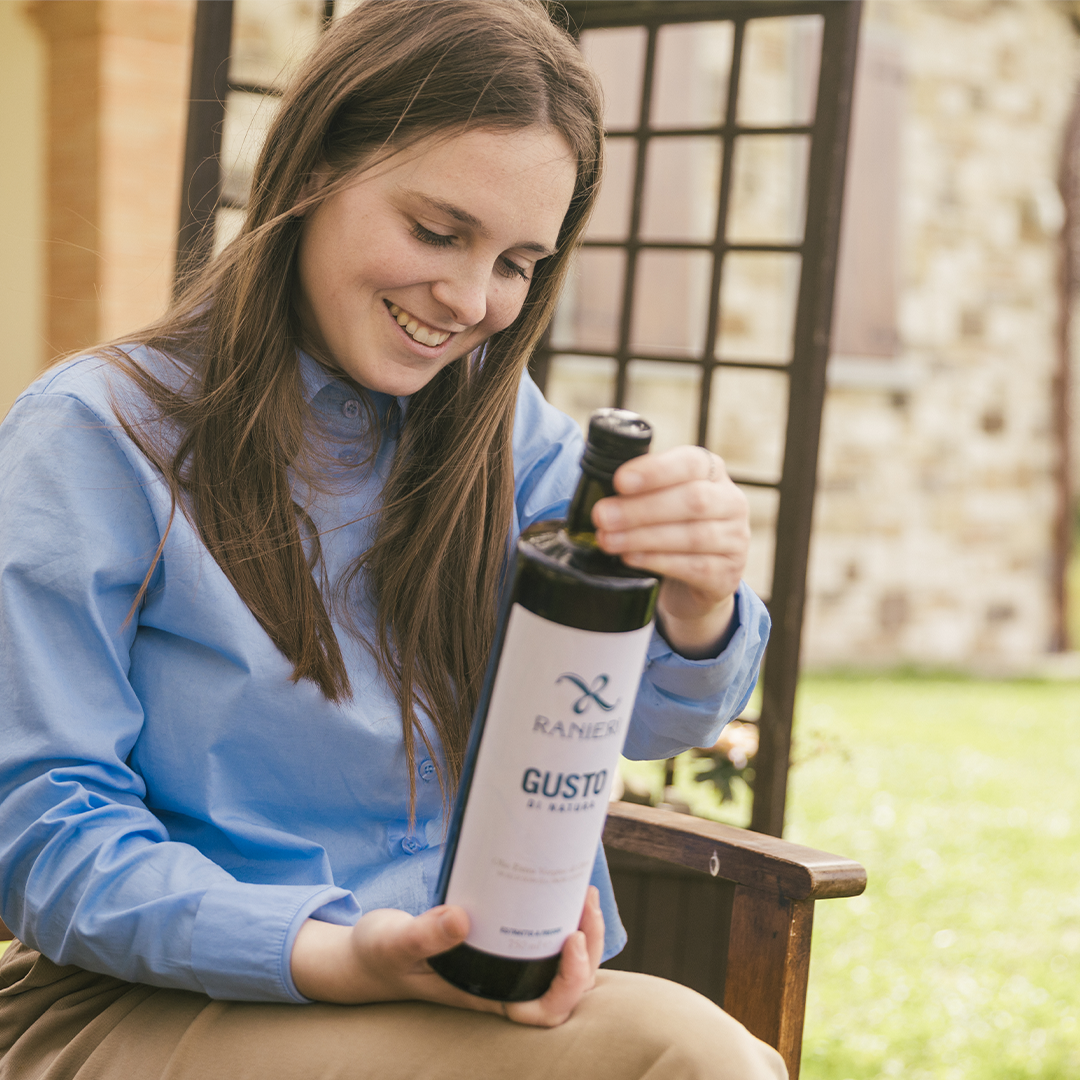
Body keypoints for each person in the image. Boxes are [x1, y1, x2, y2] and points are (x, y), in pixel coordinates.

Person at [0, 2, 783, 1077]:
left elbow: (643, 722)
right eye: (437, 231)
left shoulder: (509, 439)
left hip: (473, 993)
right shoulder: (97, 435)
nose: (469, 300)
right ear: (316, 167)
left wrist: (699, 608)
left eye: (516, 262)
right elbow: (43, 833)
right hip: (140, 1002)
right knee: (687, 1057)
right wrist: (341, 953)